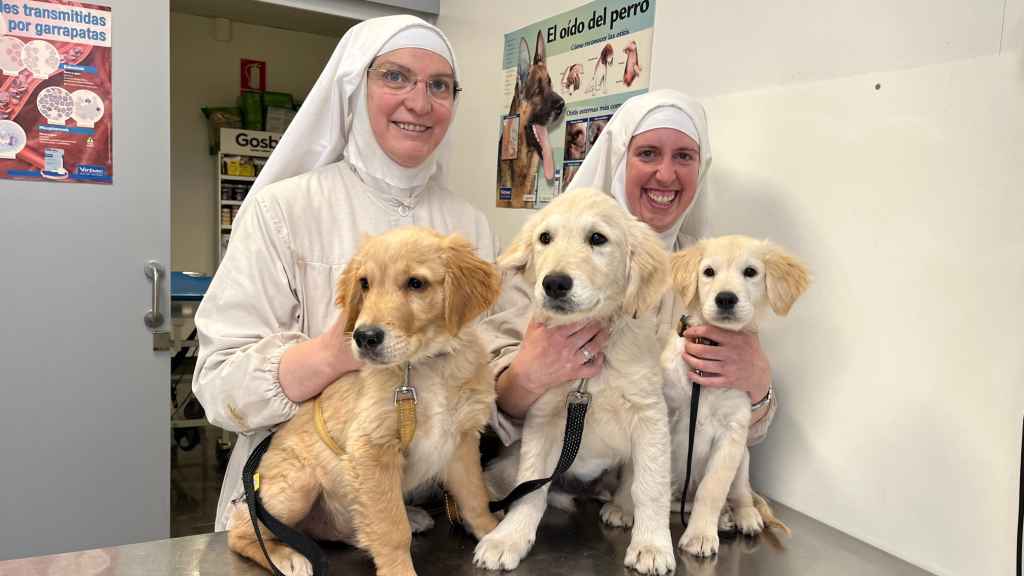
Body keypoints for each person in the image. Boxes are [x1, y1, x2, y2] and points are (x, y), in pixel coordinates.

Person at [192, 15, 498, 532]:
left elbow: (491, 360)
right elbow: (219, 384)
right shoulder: (283, 209)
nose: (420, 103)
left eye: (439, 85)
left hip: (411, 515)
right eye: (395, 76)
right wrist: (329, 356)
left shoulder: (469, 225)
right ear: (355, 85)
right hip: (296, 508)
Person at [483, 89, 776, 454]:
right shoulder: (549, 258)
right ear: (620, 159)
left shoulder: (712, 271)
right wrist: (525, 377)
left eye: (684, 156)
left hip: (648, 492)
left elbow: (729, 429)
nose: (666, 174)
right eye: (648, 153)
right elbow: (481, 412)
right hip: (544, 481)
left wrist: (757, 384)